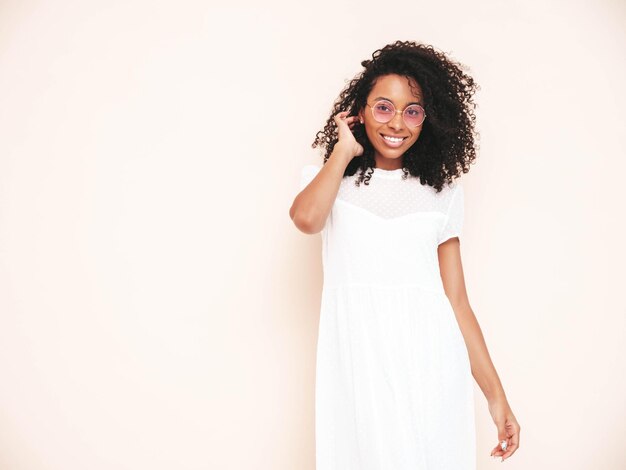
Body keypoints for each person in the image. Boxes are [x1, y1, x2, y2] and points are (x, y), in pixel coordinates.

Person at [289, 40, 520, 469]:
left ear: (428, 119)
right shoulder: (329, 180)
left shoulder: (442, 194)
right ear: (359, 111)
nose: (398, 122)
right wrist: (344, 150)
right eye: (383, 107)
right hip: (359, 363)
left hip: (430, 364)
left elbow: (457, 303)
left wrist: (496, 397)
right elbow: (305, 219)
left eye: (412, 110)